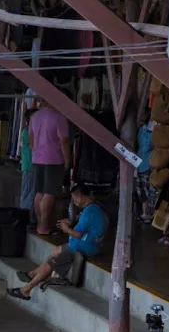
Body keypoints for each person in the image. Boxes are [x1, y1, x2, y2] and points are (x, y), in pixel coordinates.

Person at [9, 184, 108, 300]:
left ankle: (26, 290)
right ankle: (32, 274)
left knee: (52, 262)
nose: (74, 201)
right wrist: (71, 224)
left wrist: (67, 229)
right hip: (89, 244)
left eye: (74, 198)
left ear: (79, 197)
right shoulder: (95, 208)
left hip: (82, 247)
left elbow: (78, 234)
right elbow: (86, 229)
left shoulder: (88, 213)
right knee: (57, 250)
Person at [29, 99, 72, 236]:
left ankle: (40, 224)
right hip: (54, 159)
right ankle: (44, 226)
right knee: (50, 193)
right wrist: (67, 160)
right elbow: (64, 141)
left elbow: (31, 139)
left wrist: (36, 152)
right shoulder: (59, 117)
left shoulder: (35, 116)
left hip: (37, 158)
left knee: (40, 192)